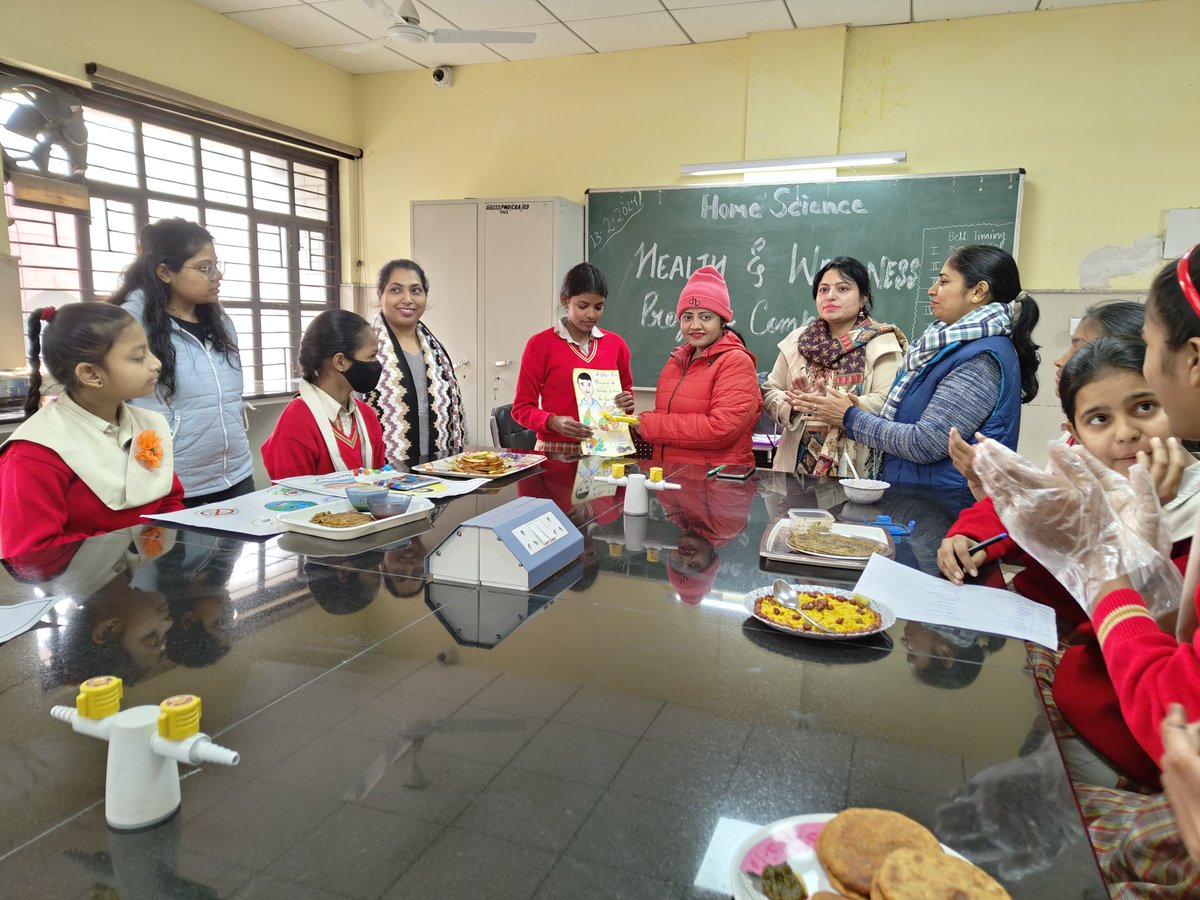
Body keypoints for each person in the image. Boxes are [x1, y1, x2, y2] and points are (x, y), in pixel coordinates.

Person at [972, 249, 1200, 772]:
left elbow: (1172, 706)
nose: (1126, 432)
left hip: (1126, 738)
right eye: (1099, 419)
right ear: (1073, 430)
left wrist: (1109, 557)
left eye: (1149, 346)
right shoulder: (1087, 465)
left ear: (1191, 359)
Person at [801, 245, 1040, 510]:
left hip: (943, 508)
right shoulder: (948, 346)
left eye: (944, 281)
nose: (932, 289)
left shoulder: (980, 358)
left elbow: (927, 442)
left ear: (978, 291)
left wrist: (850, 418)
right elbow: (915, 418)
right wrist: (861, 410)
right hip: (921, 500)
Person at [0, 304, 185, 557]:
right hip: (82, 580)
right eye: (137, 357)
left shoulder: (149, 424)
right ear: (90, 374)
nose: (156, 363)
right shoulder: (35, 452)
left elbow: (169, 501)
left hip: (151, 572)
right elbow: (32, 554)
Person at [110, 219, 254, 507]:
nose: (217, 276)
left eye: (216, 265)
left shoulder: (220, 321)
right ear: (165, 272)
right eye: (204, 268)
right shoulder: (129, 324)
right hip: (172, 485)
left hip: (236, 476)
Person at [948, 299, 1146, 501]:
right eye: (1099, 419)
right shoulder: (1070, 438)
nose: (1059, 361)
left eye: (1081, 351)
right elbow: (1052, 510)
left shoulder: (1129, 460)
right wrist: (995, 484)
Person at [762, 256, 907, 476]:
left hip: (855, 468)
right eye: (823, 290)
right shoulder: (798, 341)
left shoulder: (883, 343)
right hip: (794, 470)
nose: (830, 296)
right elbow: (769, 392)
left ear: (863, 297)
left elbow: (888, 403)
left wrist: (833, 404)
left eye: (843, 289)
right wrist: (796, 403)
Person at [634, 266, 761, 468]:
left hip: (715, 481)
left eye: (705, 317)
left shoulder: (736, 362)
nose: (695, 325)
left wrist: (649, 425)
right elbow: (665, 421)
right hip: (671, 479)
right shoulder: (675, 361)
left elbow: (721, 429)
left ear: (722, 320)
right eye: (687, 317)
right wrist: (632, 426)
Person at [511, 262, 634, 454]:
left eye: (599, 307)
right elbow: (521, 408)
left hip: (605, 447)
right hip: (556, 450)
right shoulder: (540, 345)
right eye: (583, 306)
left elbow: (626, 394)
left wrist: (627, 402)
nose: (591, 314)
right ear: (565, 300)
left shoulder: (616, 345)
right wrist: (552, 421)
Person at [364, 259, 466, 469]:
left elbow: (454, 416)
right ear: (380, 295)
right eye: (396, 290)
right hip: (381, 478)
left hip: (438, 473)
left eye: (415, 290)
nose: (407, 299)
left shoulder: (435, 351)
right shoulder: (363, 348)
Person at [261, 309, 385, 478]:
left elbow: (380, 481)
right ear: (340, 362)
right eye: (371, 356)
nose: (376, 364)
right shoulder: (295, 424)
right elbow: (291, 492)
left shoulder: (366, 416)